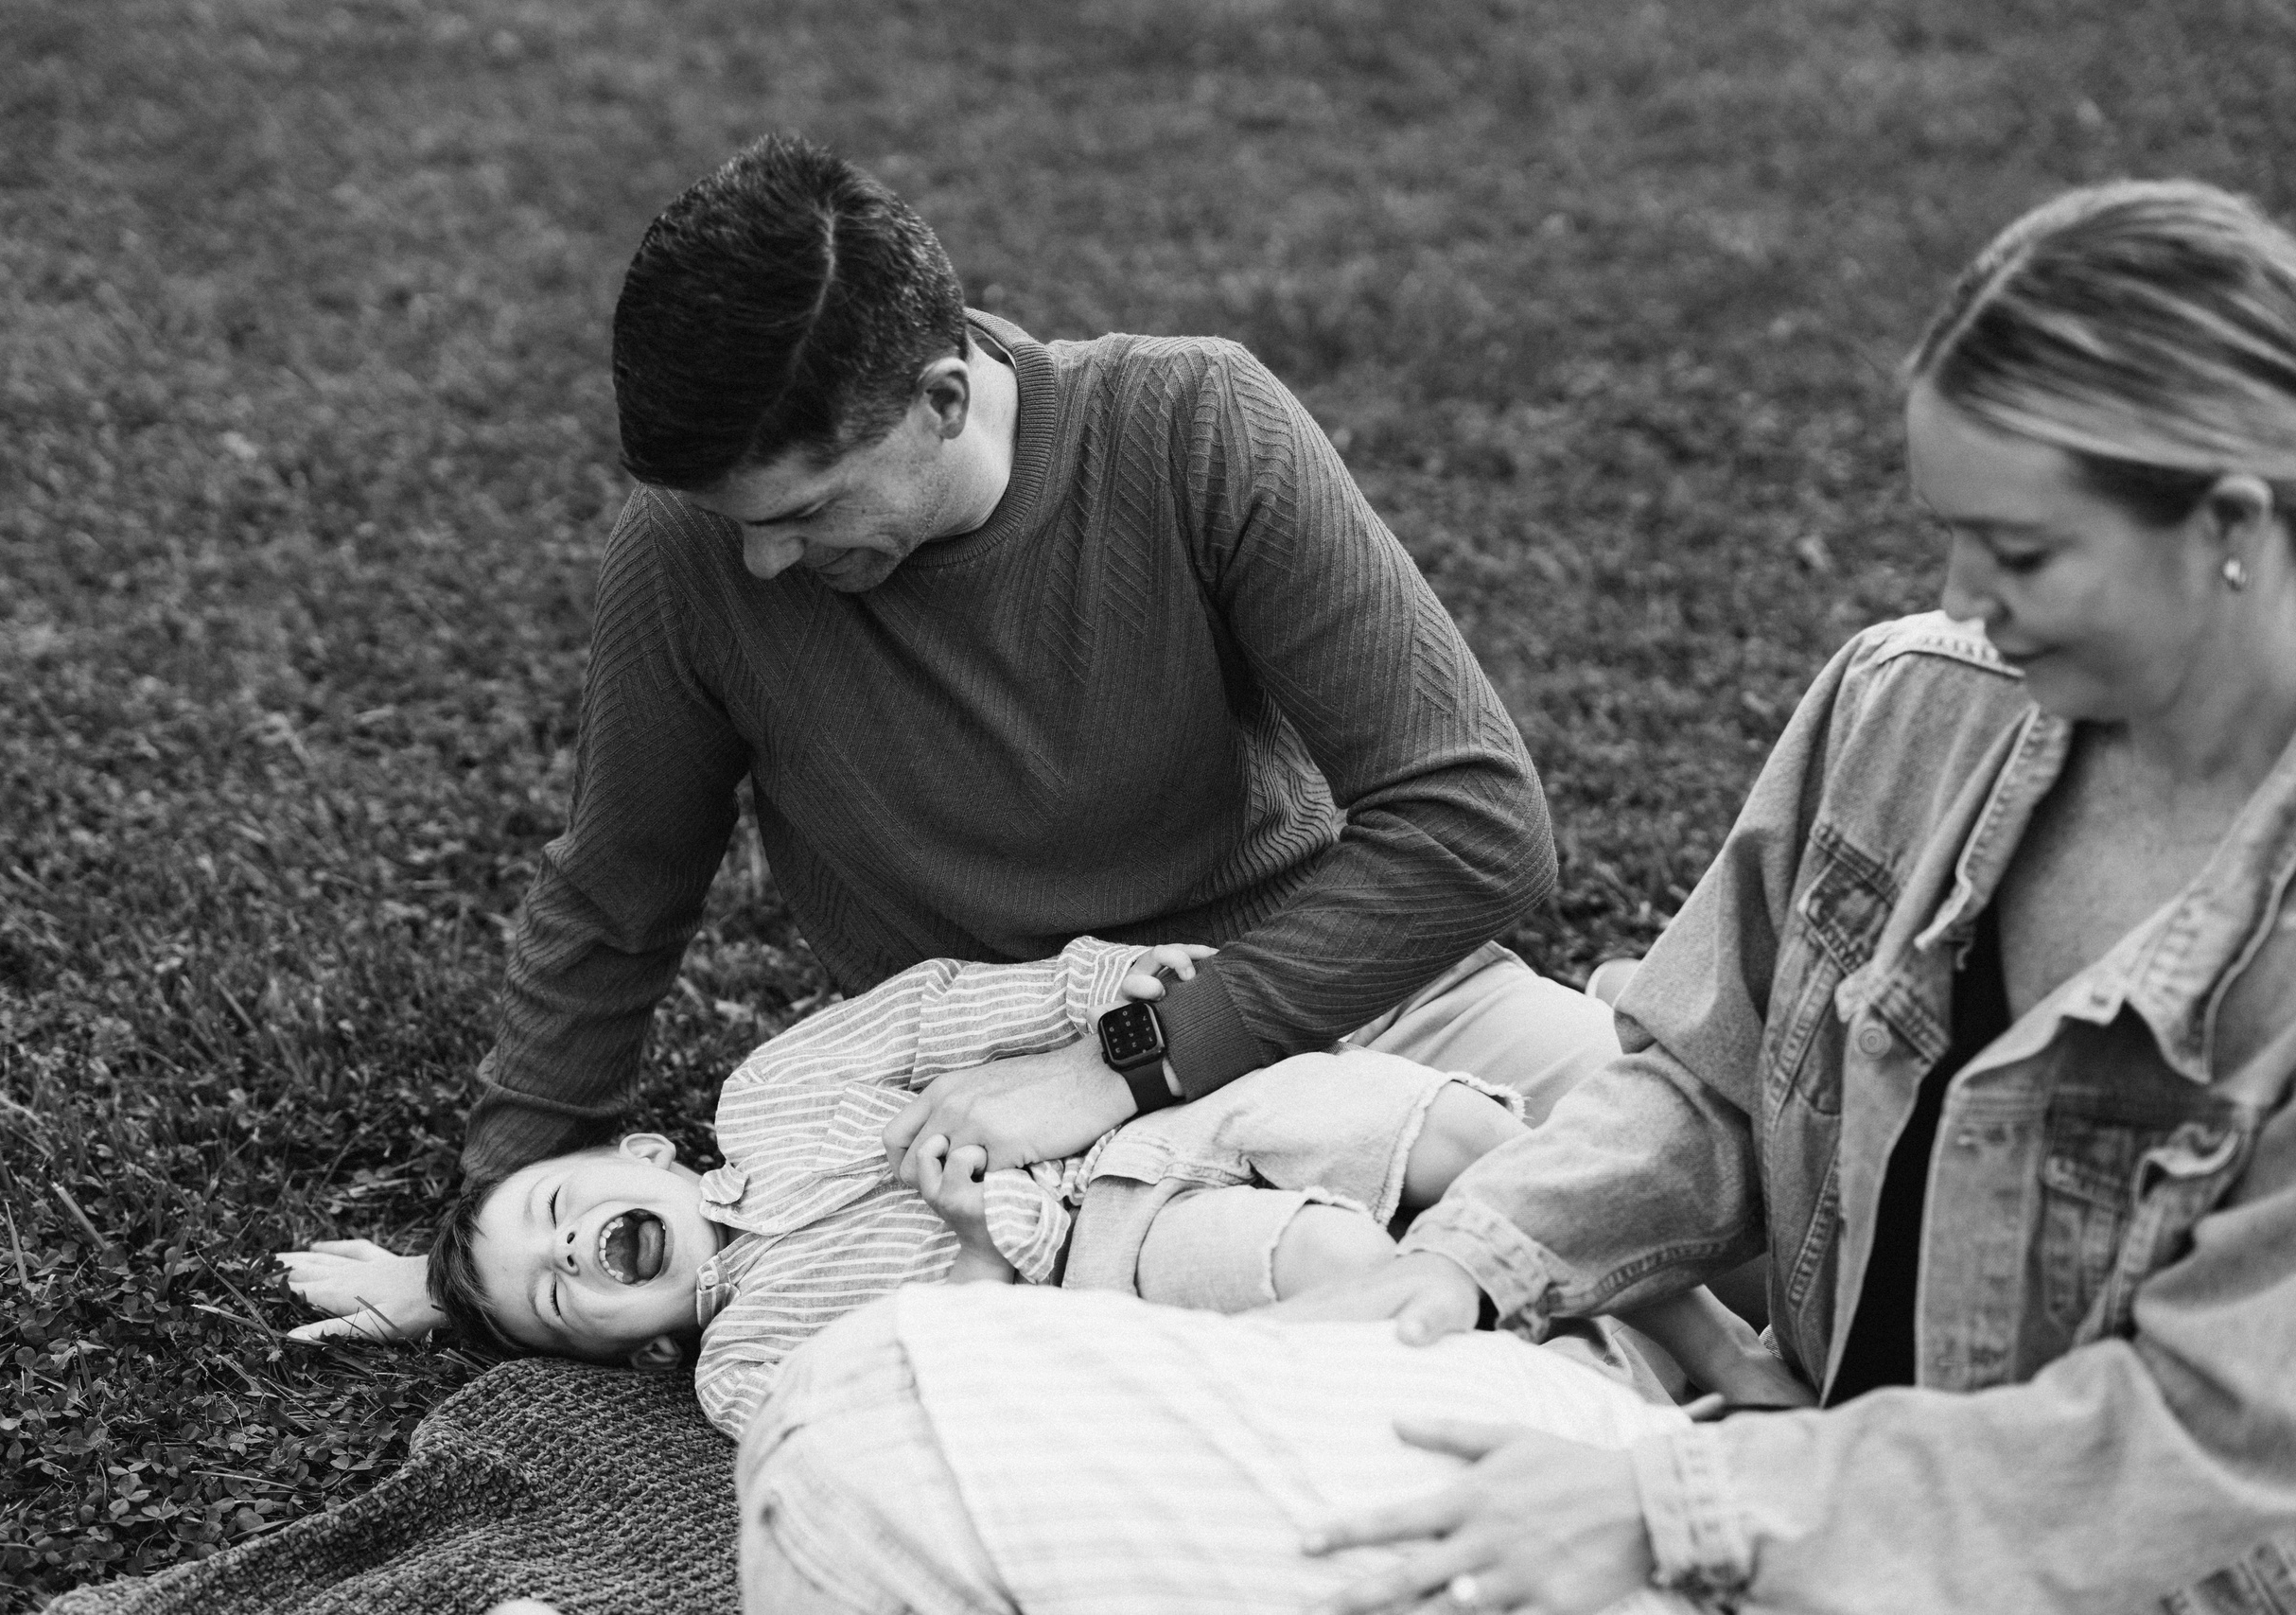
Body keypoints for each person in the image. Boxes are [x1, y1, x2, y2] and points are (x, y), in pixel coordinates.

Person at [733, 177, 2296, 1614]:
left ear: (2227, 527)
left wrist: (1669, 1505)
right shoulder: (1913, 706)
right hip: (1746, 1467)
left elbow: (2188, 1453)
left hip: (1996, 1566)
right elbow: (1698, 1080)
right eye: (1948, 535)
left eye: (2018, 549)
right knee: (865, 1419)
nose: (1961, 598)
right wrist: (1456, 1265)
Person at [282, 132, 1620, 1343]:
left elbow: (1476, 825)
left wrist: (1124, 1063)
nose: (759, 564)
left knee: (1704, 1165)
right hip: (994, 1140)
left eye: (803, 511)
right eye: (734, 518)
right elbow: (618, 891)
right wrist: (488, 1242)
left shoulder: (1192, 427)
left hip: (1338, 988)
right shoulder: (689, 553)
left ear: (941, 397)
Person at [421, 938, 1804, 1438]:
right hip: (1104, 1261)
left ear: (640, 1157)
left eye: (556, 1210)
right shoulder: (743, 1365)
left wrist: (1097, 993)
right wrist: (970, 1248)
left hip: (1162, 1116)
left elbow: (930, 1012)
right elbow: (945, 1390)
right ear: (631, 1344)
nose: (570, 1253)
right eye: (558, 1300)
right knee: (1329, 1265)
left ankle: (1704, 1340)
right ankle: (1629, 1418)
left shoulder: (768, 1096)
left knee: (1418, 1115)